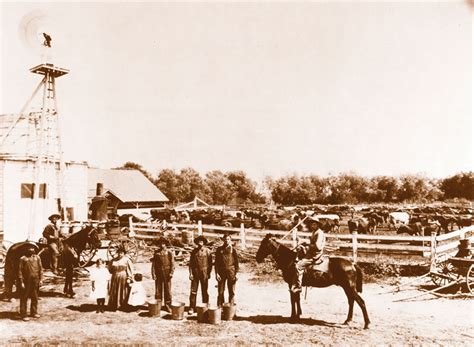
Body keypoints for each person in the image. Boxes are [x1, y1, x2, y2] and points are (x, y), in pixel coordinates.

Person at [292, 218, 326, 293]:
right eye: (311, 224)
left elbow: (318, 246)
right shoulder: (315, 231)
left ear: (317, 224)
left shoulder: (319, 233)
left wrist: (307, 243)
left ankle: (298, 286)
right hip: (312, 252)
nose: (312, 226)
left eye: (314, 224)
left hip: (315, 254)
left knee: (298, 266)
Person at [188, 235, 213, 314]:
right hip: (195, 273)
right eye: (199, 241)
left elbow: (210, 264)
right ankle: (192, 307)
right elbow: (190, 264)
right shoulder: (194, 252)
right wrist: (191, 273)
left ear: (204, 243)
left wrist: (208, 273)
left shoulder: (208, 251)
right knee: (193, 291)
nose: (200, 243)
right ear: (197, 243)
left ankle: (205, 306)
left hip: (204, 272)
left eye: (201, 241)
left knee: (204, 290)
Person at [18, 246, 43, 321]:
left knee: (35, 296)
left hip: (35, 280)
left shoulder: (37, 258)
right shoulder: (23, 259)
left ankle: (34, 312)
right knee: (24, 297)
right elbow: (20, 271)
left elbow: (41, 269)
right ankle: (23, 314)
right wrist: (21, 282)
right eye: (29, 249)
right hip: (26, 281)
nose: (31, 250)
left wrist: (41, 279)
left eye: (33, 249)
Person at [215, 232, 239, 307]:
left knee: (231, 290)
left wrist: (236, 274)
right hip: (221, 272)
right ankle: (220, 307)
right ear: (223, 240)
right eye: (225, 239)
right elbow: (216, 263)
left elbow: (237, 264)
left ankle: (230, 308)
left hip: (231, 272)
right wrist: (216, 273)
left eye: (228, 239)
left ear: (230, 240)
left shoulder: (233, 250)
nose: (226, 241)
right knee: (221, 291)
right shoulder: (219, 250)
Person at [151, 237, 175, 312]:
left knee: (167, 290)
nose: (162, 245)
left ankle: (168, 305)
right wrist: (153, 274)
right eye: (161, 243)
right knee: (158, 290)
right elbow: (153, 264)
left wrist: (171, 272)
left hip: (167, 273)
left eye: (164, 243)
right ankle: (158, 305)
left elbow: (172, 263)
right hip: (158, 273)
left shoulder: (169, 252)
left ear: (166, 244)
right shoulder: (156, 253)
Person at [108, 247, 133, 311]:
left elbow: (130, 270)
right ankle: (114, 305)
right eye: (119, 253)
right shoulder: (113, 260)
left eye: (121, 253)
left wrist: (129, 278)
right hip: (115, 276)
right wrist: (114, 273)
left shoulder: (127, 260)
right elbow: (110, 269)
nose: (120, 254)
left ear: (124, 254)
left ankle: (123, 305)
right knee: (115, 290)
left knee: (123, 290)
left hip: (123, 277)